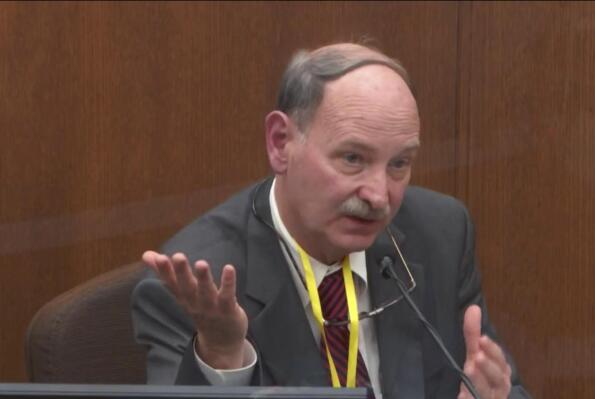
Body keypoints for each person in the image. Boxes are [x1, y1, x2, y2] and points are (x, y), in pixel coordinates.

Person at [131, 43, 530, 399]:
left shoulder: (441, 233)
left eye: (399, 164)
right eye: (353, 159)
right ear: (280, 143)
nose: (379, 195)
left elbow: (498, 387)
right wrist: (221, 353)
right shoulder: (200, 283)